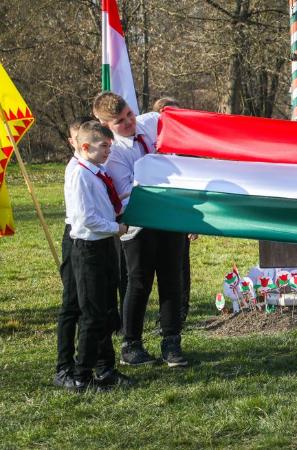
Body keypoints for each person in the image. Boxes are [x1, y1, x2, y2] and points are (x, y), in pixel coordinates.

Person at [94, 92, 188, 367]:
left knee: (172, 279)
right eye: (120, 121)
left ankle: (172, 342)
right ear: (105, 124)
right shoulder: (115, 154)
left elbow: (173, 119)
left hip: (171, 216)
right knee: (139, 282)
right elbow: (126, 193)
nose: (128, 123)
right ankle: (131, 344)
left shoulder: (148, 122)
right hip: (139, 224)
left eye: (129, 115)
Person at [63, 121, 131, 391]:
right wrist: (118, 228)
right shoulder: (80, 174)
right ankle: (82, 375)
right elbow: (86, 218)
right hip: (89, 249)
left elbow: (104, 205)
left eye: (110, 146)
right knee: (91, 314)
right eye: (104, 147)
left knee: (105, 310)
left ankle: (106, 369)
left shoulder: (97, 171)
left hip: (104, 247)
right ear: (85, 146)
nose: (108, 152)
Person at [54, 116, 96, 388]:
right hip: (75, 237)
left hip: (94, 239)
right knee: (72, 304)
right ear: (74, 142)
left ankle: (95, 364)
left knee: (90, 307)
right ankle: (64, 367)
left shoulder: (91, 168)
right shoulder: (77, 169)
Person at [151, 97, 197, 324]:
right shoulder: (149, 147)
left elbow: (193, 188)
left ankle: (179, 312)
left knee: (180, 266)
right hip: (154, 217)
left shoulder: (187, 149)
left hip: (180, 216)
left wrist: (192, 222)